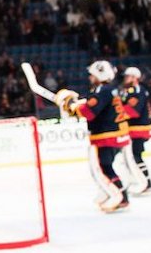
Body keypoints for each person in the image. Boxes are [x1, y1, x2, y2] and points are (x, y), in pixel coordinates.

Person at [55, 61, 131, 212]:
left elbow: (89, 112)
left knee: (103, 168)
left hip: (107, 135)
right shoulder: (109, 89)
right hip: (115, 133)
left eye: (92, 74)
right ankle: (114, 193)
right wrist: (76, 106)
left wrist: (72, 105)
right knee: (106, 166)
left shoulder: (102, 90)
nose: (90, 77)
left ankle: (120, 196)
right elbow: (91, 105)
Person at [119, 67, 151, 194]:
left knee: (135, 155)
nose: (125, 78)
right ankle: (140, 180)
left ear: (134, 77)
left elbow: (133, 111)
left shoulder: (138, 90)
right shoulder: (127, 90)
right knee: (131, 156)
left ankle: (146, 181)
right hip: (131, 128)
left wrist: (116, 115)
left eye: (128, 76)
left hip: (138, 128)